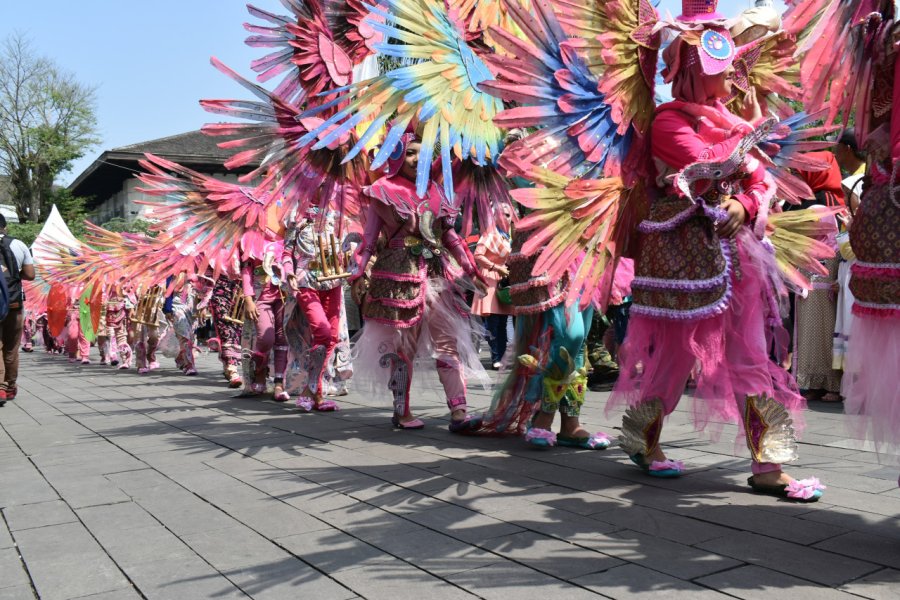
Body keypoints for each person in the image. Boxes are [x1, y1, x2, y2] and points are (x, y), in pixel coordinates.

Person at [608, 0, 823, 501]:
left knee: (750, 354)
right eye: (721, 67)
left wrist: (748, 206)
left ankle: (768, 464)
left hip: (738, 257)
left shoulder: (731, 121)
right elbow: (710, 164)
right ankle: (644, 438)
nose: (734, 75)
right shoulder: (668, 121)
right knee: (675, 360)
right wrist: (747, 143)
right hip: (687, 260)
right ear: (691, 70)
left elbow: (758, 180)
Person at [350, 128, 488, 432]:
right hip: (401, 277)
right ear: (397, 155)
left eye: (420, 152)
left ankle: (459, 412)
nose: (415, 158)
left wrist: (472, 269)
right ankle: (402, 411)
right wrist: (358, 274)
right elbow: (369, 240)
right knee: (404, 349)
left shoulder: (436, 191)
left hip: (438, 276)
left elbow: (450, 236)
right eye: (409, 152)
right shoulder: (383, 190)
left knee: (448, 343)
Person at [282, 207, 345, 411]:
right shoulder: (296, 215)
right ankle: (311, 389)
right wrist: (289, 272)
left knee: (331, 337)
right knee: (322, 331)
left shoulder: (337, 213)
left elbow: (345, 247)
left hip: (333, 281)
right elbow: (287, 251)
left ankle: (314, 391)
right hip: (306, 281)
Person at [470, 213, 514, 369]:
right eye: (503, 214)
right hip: (489, 278)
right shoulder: (490, 233)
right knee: (492, 322)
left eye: (509, 215)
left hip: (503, 280)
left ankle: (501, 357)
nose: (506, 218)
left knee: (502, 322)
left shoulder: (508, 236)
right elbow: (478, 255)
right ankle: (496, 356)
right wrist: (496, 267)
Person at [0, 214, 35, 404]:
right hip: (13, 303)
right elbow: (30, 274)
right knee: (12, 346)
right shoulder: (19, 245)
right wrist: (13, 275)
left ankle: (0, 388)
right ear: (5, 227)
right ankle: (10, 386)